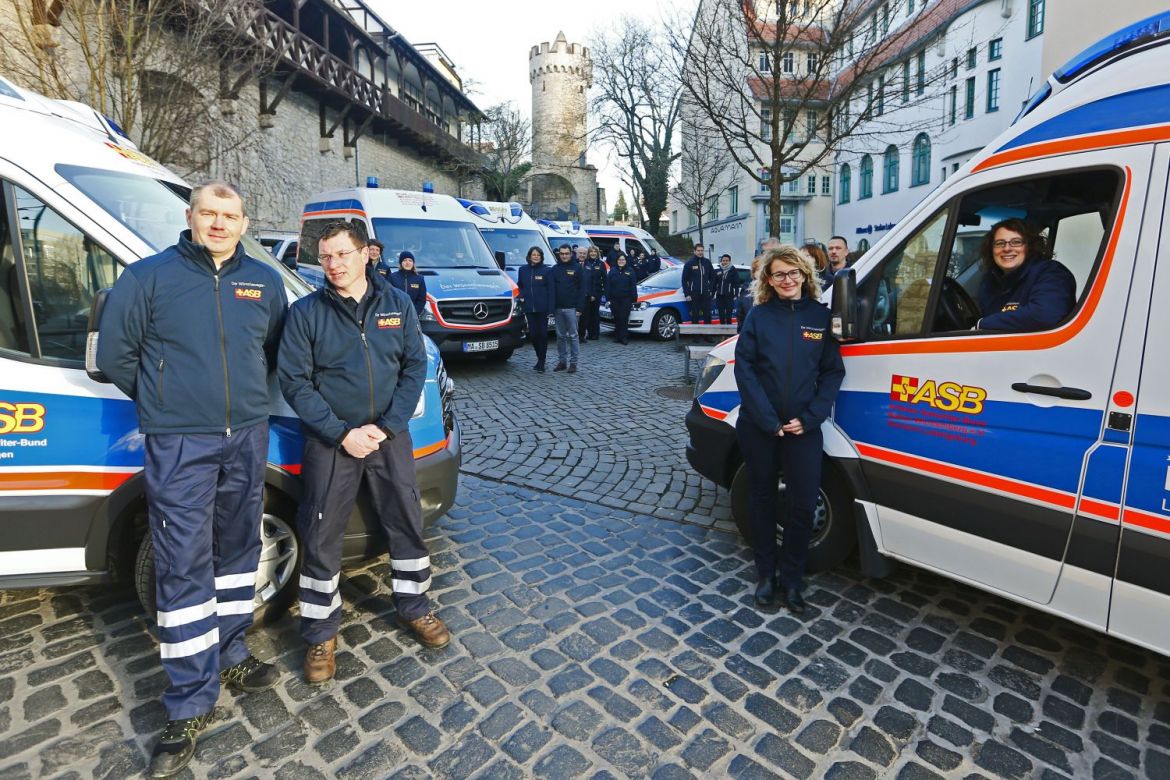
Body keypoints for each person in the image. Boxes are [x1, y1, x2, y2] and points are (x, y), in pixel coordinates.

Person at [96, 181, 287, 778]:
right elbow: (114, 355)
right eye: (209, 213)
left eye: (230, 216)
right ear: (191, 216)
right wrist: (164, 399)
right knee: (182, 561)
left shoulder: (265, 280)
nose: (219, 224)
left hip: (247, 436)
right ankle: (188, 700)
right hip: (180, 440)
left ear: (243, 221)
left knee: (237, 549)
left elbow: (273, 350)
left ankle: (230, 650)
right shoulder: (148, 277)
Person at [278, 221, 449, 686]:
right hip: (331, 442)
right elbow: (294, 381)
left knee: (405, 520)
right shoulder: (306, 313)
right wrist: (341, 433)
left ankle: (415, 607)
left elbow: (414, 365)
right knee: (320, 532)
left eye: (342, 255)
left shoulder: (395, 303)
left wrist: (387, 425)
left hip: (388, 438)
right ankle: (319, 632)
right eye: (326, 257)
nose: (333, 264)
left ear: (365, 256)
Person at [734, 246, 844, 615]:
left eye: (793, 272)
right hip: (760, 427)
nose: (787, 280)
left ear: (805, 275)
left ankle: (793, 579)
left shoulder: (820, 317)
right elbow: (745, 369)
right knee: (762, 500)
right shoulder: (758, 316)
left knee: (801, 504)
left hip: (803, 429)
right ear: (768, 279)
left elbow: (832, 372)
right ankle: (767, 575)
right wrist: (767, 420)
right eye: (779, 274)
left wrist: (811, 417)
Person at [976, 218, 1076, 332]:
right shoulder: (990, 281)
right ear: (991, 249)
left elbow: (1045, 314)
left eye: (1016, 242)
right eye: (1000, 243)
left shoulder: (1051, 273)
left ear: (1029, 247)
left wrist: (982, 324)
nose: (1007, 248)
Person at [517, 245, 555, 371]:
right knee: (533, 335)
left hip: (542, 307)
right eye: (534, 255)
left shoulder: (547, 270)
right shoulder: (522, 270)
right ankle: (539, 356)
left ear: (541, 257)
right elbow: (520, 286)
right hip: (529, 307)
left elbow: (551, 290)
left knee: (543, 334)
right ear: (529, 256)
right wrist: (521, 295)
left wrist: (551, 308)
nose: (536, 257)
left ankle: (542, 360)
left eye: (538, 255)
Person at [551, 244, 585, 372]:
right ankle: (562, 361)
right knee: (560, 336)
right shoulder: (554, 269)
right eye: (562, 253)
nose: (564, 256)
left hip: (572, 308)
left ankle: (574, 363)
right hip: (558, 308)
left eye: (566, 253)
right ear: (559, 254)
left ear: (571, 254)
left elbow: (582, 289)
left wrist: (580, 308)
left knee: (573, 336)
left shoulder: (577, 268)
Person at [607, 252, 638, 344]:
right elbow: (608, 285)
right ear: (617, 261)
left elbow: (633, 285)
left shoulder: (630, 271)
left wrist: (634, 298)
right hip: (614, 299)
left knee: (623, 318)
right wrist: (608, 297)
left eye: (623, 260)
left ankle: (624, 337)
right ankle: (618, 337)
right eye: (619, 260)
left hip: (626, 299)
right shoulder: (612, 271)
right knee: (616, 318)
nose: (621, 261)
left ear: (626, 261)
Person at [682, 243, 715, 324]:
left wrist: (710, 290)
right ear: (694, 251)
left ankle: (707, 335)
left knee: (707, 315)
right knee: (695, 315)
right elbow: (684, 280)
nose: (700, 252)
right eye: (698, 250)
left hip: (705, 294)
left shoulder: (707, 262)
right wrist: (687, 294)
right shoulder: (689, 263)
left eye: (702, 250)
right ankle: (696, 336)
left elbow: (713, 277)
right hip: (694, 294)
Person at [579, 245, 606, 341]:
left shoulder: (601, 264)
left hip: (597, 292)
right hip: (587, 292)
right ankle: (589, 333)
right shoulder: (585, 263)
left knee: (595, 314)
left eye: (595, 251)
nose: (593, 253)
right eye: (591, 252)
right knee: (587, 314)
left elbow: (605, 279)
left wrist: (602, 293)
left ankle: (595, 334)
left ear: (597, 253)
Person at [388, 250, 428, 316]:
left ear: (413, 263)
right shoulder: (392, 277)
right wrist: (394, 312)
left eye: (410, 260)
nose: (407, 263)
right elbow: (388, 296)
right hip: (395, 315)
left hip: (412, 316)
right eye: (404, 260)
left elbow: (421, 300)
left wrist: (413, 313)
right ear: (401, 263)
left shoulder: (419, 278)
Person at [712, 254, 741, 326]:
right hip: (719, 296)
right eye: (723, 260)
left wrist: (736, 295)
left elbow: (737, 283)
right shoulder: (718, 270)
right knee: (721, 315)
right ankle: (722, 333)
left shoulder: (733, 270)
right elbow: (714, 284)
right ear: (721, 261)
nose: (724, 262)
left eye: (726, 261)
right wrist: (712, 294)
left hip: (729, 296)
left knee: (728, 316)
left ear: (729, 261)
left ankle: (728, 333)